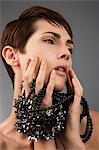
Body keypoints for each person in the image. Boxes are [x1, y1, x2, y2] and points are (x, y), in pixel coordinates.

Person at [0, 5, 99, 150]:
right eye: (50, 41)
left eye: (69, 48)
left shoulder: (93, 127)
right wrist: (43, 131)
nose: (67, 53)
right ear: (12, 56)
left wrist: (73, 145)